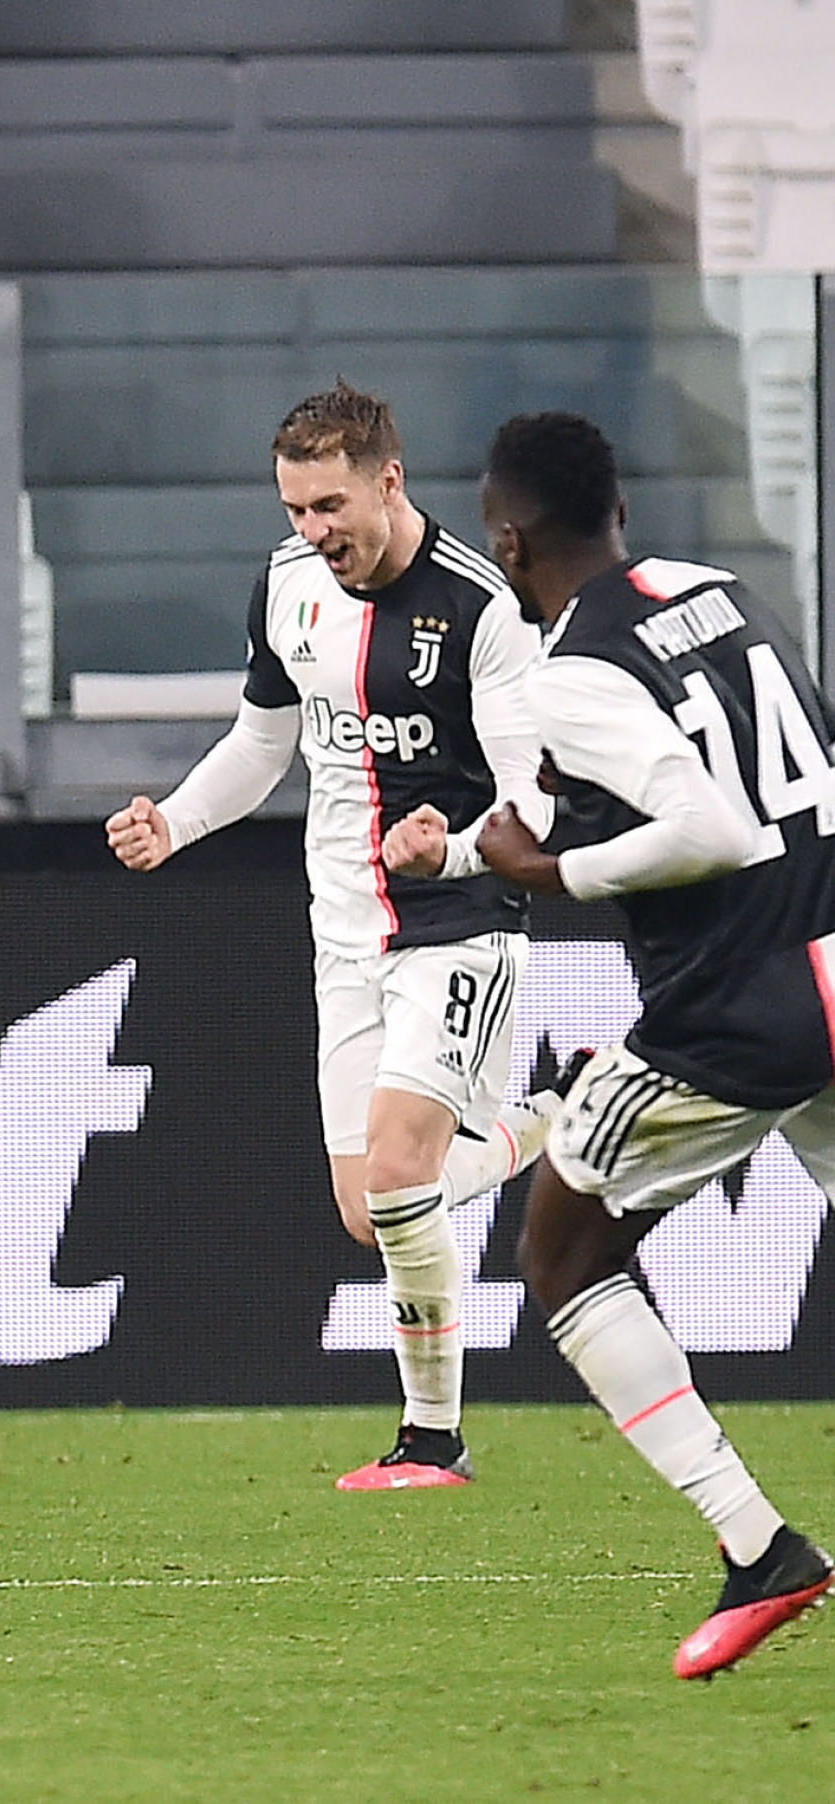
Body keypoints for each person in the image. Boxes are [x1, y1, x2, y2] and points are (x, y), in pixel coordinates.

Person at [389, 409, 831, 1678]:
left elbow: (702, 825)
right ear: (619, 512)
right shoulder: (717, 591)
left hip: (736, 999)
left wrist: (561, 871)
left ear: (507, 540)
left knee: (563, 1243)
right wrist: (467, 847)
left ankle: (763, 1550)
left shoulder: (567, 675)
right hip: (832, 948)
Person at [105, 383, 561, 1491]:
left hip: (458, 923)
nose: (314, 532)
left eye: (329, 506)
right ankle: (556, 1115)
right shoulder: (287, 586)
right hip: (342, 938)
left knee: (403, 1172)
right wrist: (177, 820)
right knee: (370, 1213)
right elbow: (261, 744)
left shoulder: (483, 611)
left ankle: (432, 1440)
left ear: (387, 481)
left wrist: (447, 849)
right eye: (297, 509)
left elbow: (533, 799)